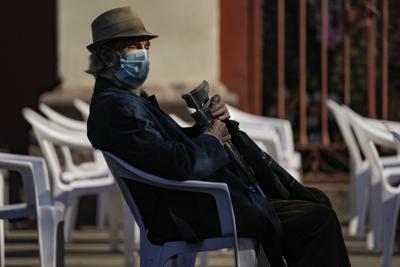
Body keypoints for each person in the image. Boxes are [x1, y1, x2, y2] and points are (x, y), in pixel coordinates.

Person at [86, 6, 351, 267]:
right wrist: (212, 137)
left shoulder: (124, 99)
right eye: (134, 47)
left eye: (146, 46)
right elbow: (180, 164)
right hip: (194, 210)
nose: (143, 54)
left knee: (314, 201)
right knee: (317, 219)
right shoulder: (117, 107)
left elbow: (169, 149)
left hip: (197, 201)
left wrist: (212, 125)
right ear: (108, 55)